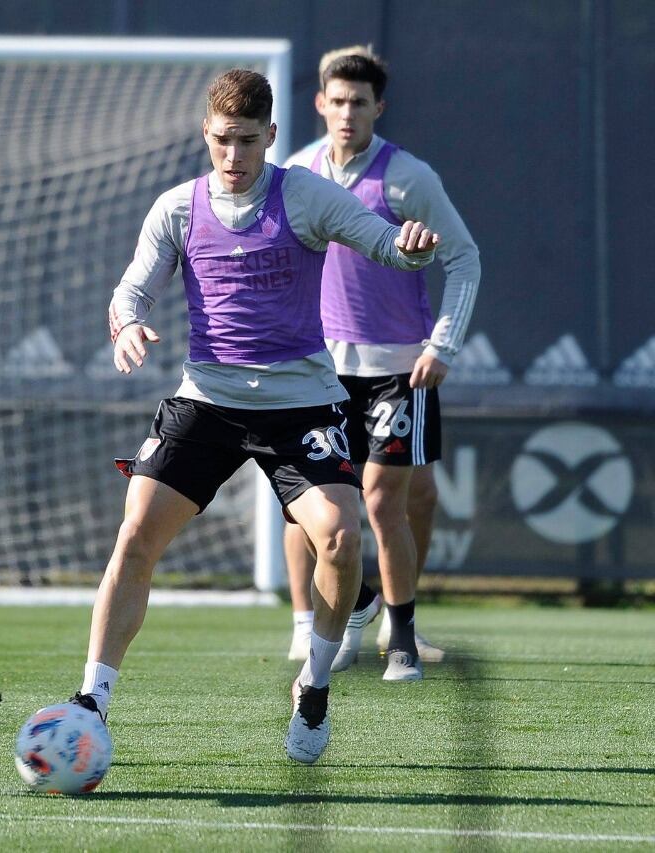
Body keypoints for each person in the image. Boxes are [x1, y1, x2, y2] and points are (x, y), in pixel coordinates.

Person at [72, 68, 439, 765]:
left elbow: (380, 240)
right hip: (206, 401)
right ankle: (93, 698)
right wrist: (125, 323)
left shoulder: (302, 195)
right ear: (205, 136)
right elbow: (132, 287)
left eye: (246, 141)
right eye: (220, 141)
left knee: (340, 537)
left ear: (271, 136)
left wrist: (409, 247)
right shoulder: (178, 207)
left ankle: (315, 683)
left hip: (298, 403)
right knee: (136, 532)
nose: (233, 157)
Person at [282, 47, 481, 681]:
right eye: (336, 101)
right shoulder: (297, 173)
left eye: (359, 103)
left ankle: (402, 641)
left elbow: (465, 259)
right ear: (320, 104)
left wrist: (441, 345)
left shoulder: (407, 178)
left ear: (378, 108)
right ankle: (347, 612)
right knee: (314, 505)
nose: (347, 113)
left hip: (401, 367)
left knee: (383, 500)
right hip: (319, 370)